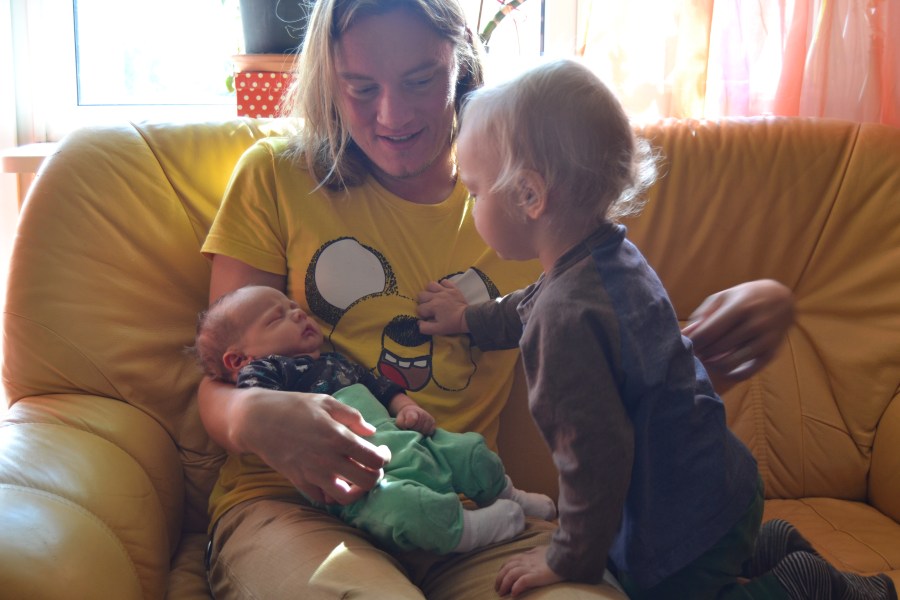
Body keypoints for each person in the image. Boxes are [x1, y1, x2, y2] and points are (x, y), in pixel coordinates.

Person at [197, 0, 795, 597]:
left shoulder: (521, 194)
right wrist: (252, 416)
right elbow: (219, 371)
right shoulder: (275, 175)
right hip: (296, 505)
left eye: (420, 80)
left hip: (470, 505)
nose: (391, 114)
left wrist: (761, 303)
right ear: (329, 81)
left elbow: (633, 367)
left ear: (458, 63)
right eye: (361, 88)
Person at [416, 59, 897, 600]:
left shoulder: (564, 322)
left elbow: (594, 458)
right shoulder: (608, 258)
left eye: (475, 191)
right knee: (729, 549)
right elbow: (525, 305)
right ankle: (773, 544)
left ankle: (803, 584)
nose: (470, 204)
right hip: (723, 485)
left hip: (681, 527)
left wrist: (567, 557)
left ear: (529, 195)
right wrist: (466, 319)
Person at [190, 284, 557, 556]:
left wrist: (406, 406)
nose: (298, 314)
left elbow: (381, 386)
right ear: (239, 360)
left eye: (294, 307)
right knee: (405, 510)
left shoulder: (335, 361)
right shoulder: (266, 373)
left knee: (471, 452)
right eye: (277, 318)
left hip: (408, 441)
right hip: (360, 479)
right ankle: (468, 531)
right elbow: (257, 405)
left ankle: (507, 493)